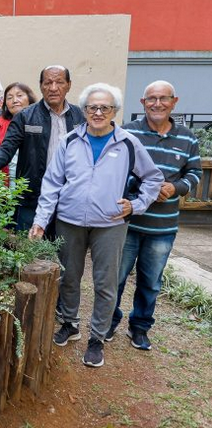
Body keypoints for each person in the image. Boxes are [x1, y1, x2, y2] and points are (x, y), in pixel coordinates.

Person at [29, 83, 163, 368]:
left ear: (114, 111)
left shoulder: (127, 143)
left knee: (106, 283)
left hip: (110, 224)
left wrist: (136, 205)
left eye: (105, 107)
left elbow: (153, 178)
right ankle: (70, 324)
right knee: (68, 277)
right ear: (84, 110)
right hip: (69, 220)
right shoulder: (70, 141)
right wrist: (41, 220)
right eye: (92, 107)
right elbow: (52, 183)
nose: (98, 112)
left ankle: (97, 339)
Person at [110, 80, 203, 350]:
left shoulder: (187, 138)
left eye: (163, 98)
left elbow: (195, 173)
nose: (157, 103)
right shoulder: (128, 132)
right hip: (128, 222)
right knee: (116, 277)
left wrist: (175, 187)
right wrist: (146, 188)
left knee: (150, 282)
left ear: (174, 101)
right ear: (143, 103)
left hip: (163, 227)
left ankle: (139, 327)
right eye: (151, 98)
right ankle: (109, 321)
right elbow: (115, 169)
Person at [0, 65, 86, 235]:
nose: (53, 88)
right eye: (48, 83)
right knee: (28, 246)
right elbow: (8, 147)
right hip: (33, 197)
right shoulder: (25, 116)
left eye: (59, 82)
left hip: (70, 197)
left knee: (65, 247)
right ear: (40, 86)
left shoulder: (80, 116)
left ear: (69, 85)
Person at [0, 83, 38, 187]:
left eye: (19, 95)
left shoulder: (39, 121)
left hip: (33, 178)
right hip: (5, 180)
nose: (15, 100)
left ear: (29, 98)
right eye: (9, 98)